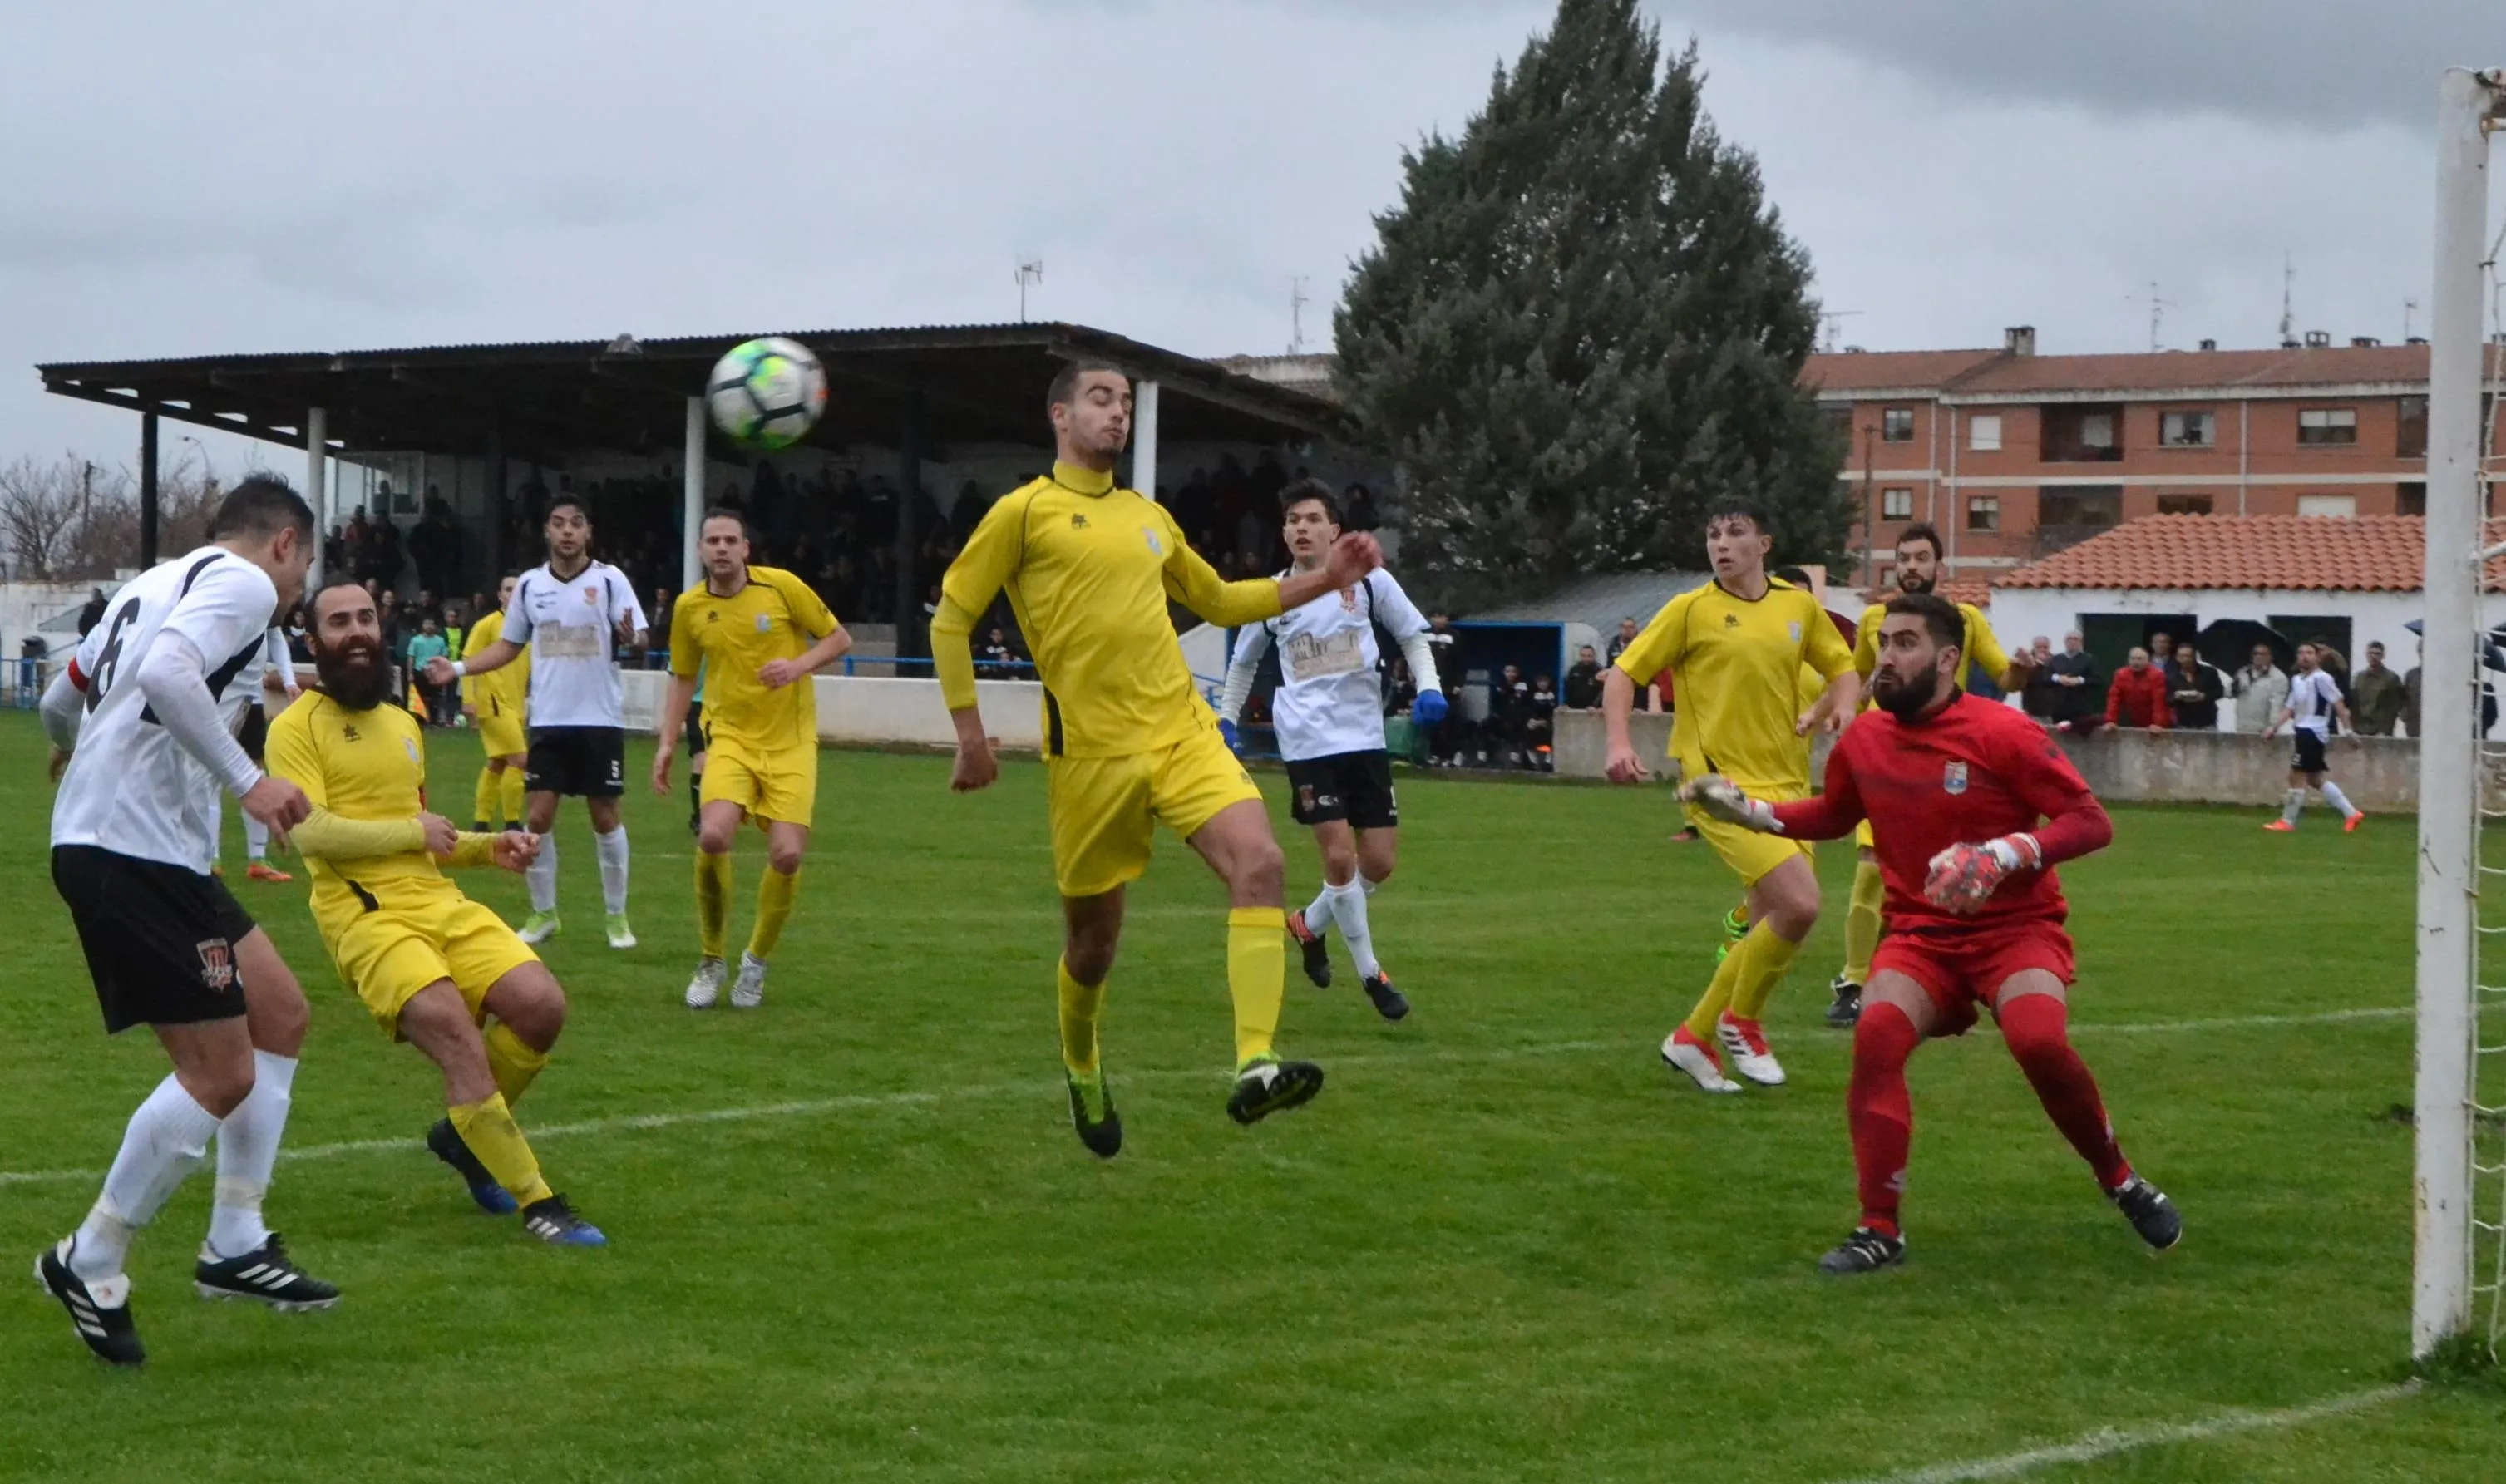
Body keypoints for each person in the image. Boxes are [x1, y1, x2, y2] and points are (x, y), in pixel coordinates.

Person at [930, 362, 1383, 1156]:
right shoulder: (1023, 512)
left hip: (1179, 732)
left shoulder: (1148, 516)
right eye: (1101, 400)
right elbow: (952, 618)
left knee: (1263, 863)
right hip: (1091, 760)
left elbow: (1219, 600)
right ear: (1060, 415)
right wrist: (970, 731)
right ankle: (1081, 1062)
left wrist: (1327, 577)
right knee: (1093, 946)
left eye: (1127, 404)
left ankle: (1255, 1066)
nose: (1118, 415)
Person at [1679, 592, 2181, 1274]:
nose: (1886, 657)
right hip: (1921, 936)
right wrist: (1752, 812)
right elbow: (1833, 812)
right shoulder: (1864, 737)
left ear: (1949, 658)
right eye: (1884, 642)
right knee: (1877, 1037)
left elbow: (2090, 821)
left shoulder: (2003, 731)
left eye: (1905, 643)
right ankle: (1878, 1228)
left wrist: (2004, 853)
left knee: (2038, 1040)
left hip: (2015, 928)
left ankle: (2119, 1177)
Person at [34, 476, 337, 1365]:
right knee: (221, 1071)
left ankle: (236, 1239)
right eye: (305, 568)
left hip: (145, 845)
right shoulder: (243, 585)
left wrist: (76, 750)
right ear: (283, 543)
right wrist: (251, 783)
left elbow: (62, 697)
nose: (297, 594)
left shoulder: (148, 582)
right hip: (130, 851)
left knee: (280, 1011)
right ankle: (90, 1259)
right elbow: (168, 674)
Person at [267, 582, 603, 1247]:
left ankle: (462, 1133)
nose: (358, 630)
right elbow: (311, 835)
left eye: (366, 616)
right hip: (364, 917)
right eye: (339, 622)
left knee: (541, 1005)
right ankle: (538, 1200)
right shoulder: (292, 729)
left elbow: (427, 833)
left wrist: (489, 847)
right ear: (314, 642)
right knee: (454, 1030)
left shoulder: (404, 722)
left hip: (437, 900)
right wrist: (409, 832)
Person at [1601, 501, 1858, 1093]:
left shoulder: (1798, 606)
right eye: (1713, 534)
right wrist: (1618, 741)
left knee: (1768, 919)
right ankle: (1741, 1021)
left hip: (1788, 788)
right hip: (1718, 787)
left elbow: (1842, 668)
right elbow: (1624, 673)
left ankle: (1692, 1036)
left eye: (1736, 533)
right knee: (1801, 905)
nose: (1722, 543)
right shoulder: (1691, 609)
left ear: (1763, 544)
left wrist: (1839, 704)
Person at [1216, 479, 1445, 1021]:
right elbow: (1245, 659)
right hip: (1308, 741)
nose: (1301, 527)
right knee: (1339, 856)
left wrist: (1429, 685)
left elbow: (1413, 634)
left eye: (1313, 518)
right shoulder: (1273, 594)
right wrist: (1226, 719)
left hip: (1364, 737)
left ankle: (1308, 924)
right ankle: (1372, 973)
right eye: (1293, 519)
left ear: (1335, 531)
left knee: (1380, 863)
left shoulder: (1370, 583)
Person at [1829, 524, 2030, 1029]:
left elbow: (2003, 675)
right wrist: (1831, 713)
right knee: (1871, 870)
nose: (1912, 566)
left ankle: (1940, 972)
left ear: (1939, 566)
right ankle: (1853, 982)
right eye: (1904, 557)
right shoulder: (1876, 619)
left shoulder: (1963, 621)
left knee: (1934, 880)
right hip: (1887, 763)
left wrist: (2024, 672)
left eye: (1922, 557)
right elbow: (1853, 679)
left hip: (1946, 770)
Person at [426, 498, 649, 949]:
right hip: (548, 720)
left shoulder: (610, 580)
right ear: (547, 532)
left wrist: (633, 637)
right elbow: (508, 646)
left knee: (605, 818)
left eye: (576, 524)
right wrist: (460, 669)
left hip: (599, 720)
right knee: (538, 818)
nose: (567, 532)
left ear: (589, 533)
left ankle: (617, 918)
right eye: (558, 524)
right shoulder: (530, 585)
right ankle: (545, 914)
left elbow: (639, 638)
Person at [654, 510, 852, 1010]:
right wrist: (667, 743)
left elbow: (838, 638)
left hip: (791, 742)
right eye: (712, 540)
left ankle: (755, 963)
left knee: (786, 855)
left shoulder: (782, 587)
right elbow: (682, 676)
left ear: (746, 548)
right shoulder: (690, 607)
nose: (722, 548)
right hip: (730, 738)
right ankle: (711, 958)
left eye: (731, 540)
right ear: (700, 549)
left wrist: (797, 665)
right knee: (714, 834)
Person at [2262, 642, 2364, 832]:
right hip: (2302, 731)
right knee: (2315, 779)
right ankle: (2351, 813)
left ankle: (2287, 821)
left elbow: (2339, 705)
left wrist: (2349, 732)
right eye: (2301, 653)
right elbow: (2290, 707)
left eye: (2309, 653)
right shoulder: (2297, 680)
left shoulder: (2322, 678)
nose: (2304, 656)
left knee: (2296, 775)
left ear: (2318, 658)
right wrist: (2274, 726)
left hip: (2313, 732)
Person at [461, 574, 530, 831]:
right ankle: (512, 821)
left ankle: (481, 821)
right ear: (500, 595)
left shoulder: (527, 627)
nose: (513, 594)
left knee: (498, 762)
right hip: (493, 703)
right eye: (508, 589)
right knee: (521, 760)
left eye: (518, 589)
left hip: (515, 705)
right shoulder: (488, 624)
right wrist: (469, 700)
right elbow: (468, 658)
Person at [2044, 632, 2103, 733]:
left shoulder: (2089, 659)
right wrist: (2058, 678)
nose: (2072, 641)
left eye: (2075, 639)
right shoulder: (2055, 659)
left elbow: (2098, 680)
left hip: (2081, 709)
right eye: (2069, 639)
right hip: (2058, 708)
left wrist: (2079, 680)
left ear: (2081, 643)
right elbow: (2045, 678)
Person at [2102, 647, 2171, 731]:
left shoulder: (2157, 675)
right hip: (2134, 717)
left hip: (2157, 719)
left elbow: (2159, 701)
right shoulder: (2121, 674)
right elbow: (2114, 699)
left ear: (2147, 661)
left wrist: (2158, 723)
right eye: (2133, 659)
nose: (2136, 662)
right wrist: (2110, 721)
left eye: (2140, 659)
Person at [2165, 642, 2225, 731]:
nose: (2185, 659)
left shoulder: (2209, 672)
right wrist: (2175, 696)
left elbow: (2220, 692)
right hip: (2183, 723)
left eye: (2188, 656)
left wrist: (2204, 696)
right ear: (2177, 657)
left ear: (2194, 656)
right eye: (2181, 656)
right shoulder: (2171, 675)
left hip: (2206, 722)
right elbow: (2166, 696)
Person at [2230, 643, 2288, 734]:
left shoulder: (2278, 677)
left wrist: (2273, 726)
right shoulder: (2243, 672)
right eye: (2255, 654)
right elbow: (2229, 694)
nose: (2258, 656)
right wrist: (2235, 686)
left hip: (2263, 728)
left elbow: (2277, 704)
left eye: (2262, 654)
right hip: (2242, 725)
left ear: (2270, 657)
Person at [2350, 641, 2405, 737]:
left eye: (2377, 654)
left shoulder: (2391, 678)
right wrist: (2352, 728)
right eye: (2370, 653)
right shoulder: (2359, 677)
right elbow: (2353, 704)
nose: (2373, 657)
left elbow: (2395, 707)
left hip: (2380, 729)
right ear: (2366, 655)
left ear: (2383, 656)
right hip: (2360, 728)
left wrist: (2385, 730)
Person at [406, 617, 451, 725]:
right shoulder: (416, 640)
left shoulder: (440, 641)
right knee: (419, 698)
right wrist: (410, 673)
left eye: (431, 624)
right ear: (422, 626)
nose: (429, 626)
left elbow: (444, 657)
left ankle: (434, 721)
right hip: (420, 672)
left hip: (435, 673)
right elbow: (411, 657)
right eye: (426, 623)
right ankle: (420, 721)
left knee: (435, 698)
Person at [1563, 644, 1606, 710]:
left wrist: (1594, 705)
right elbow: (1569, 689)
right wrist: (1567, 704)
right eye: (1583, 656)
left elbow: (1602, 691)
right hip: (1575, 708)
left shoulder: (1599, 671)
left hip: (1593, 710)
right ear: (1580, 656)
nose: (1586, 659)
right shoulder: (1574, 670)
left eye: (1589, 656)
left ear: (1594, 656)